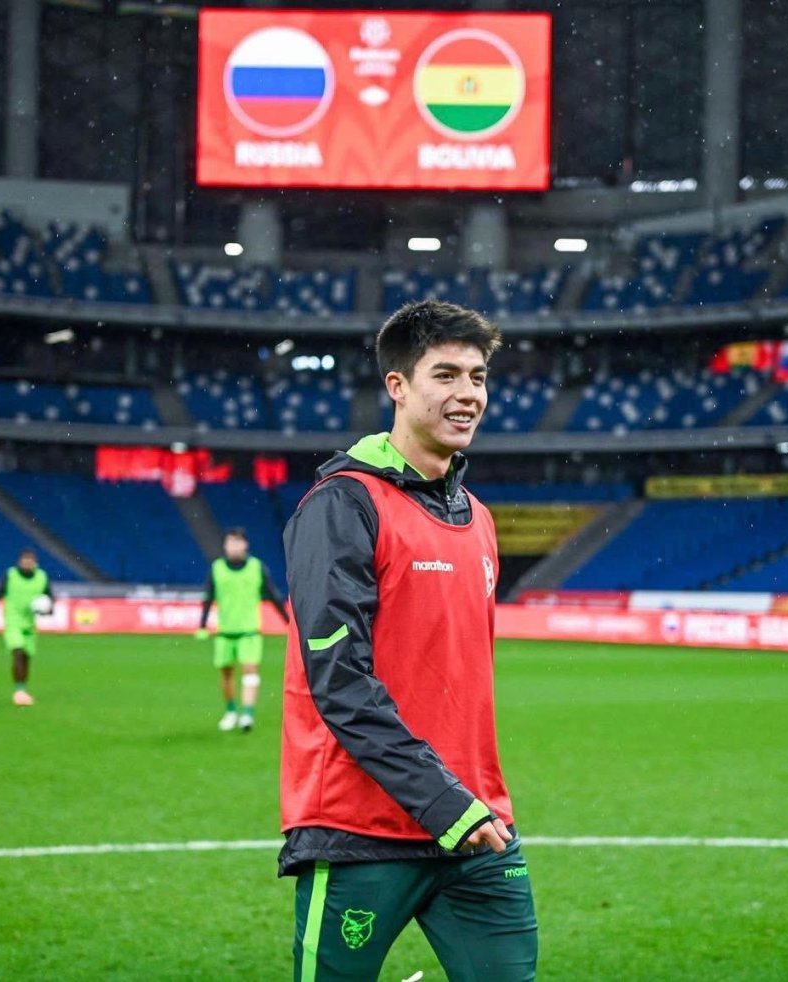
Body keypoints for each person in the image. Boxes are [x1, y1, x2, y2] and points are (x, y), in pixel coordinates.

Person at [280, 300, 538, 981]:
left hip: (478, 828)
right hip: (362, 829)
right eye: (445, 375)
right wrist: (441, 799)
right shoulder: (342, 504)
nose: (468, 395)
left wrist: (463, 803)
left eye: (478, 377)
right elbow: (338, 679)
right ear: (397, 386)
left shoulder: (478, 517)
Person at [196, 527, 289, 732]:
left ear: (245, 545)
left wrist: (288, 621)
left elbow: (273, 595)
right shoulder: (217, 568)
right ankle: (231, 711)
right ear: (225, 545)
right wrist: (202, 625)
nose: (234, 546)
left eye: (238, 542)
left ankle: (247, 714)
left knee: (250, 669)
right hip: (225, 633)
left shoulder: (257, 567)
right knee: (227, 674)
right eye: (230, 542)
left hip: (249, 632)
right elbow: (208, 598)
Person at [0, 548, 54, 707]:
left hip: (30, 625)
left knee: (26, 657)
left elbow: (50, 602)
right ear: (19, 561)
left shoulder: (42, 577)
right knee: (17, 651)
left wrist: (45, 610)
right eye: (24, 560)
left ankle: (22, 689)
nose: (27, 563)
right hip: (13, 622)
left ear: (34, 562)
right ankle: (18, 692)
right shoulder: (11, 575)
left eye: (30, 560)